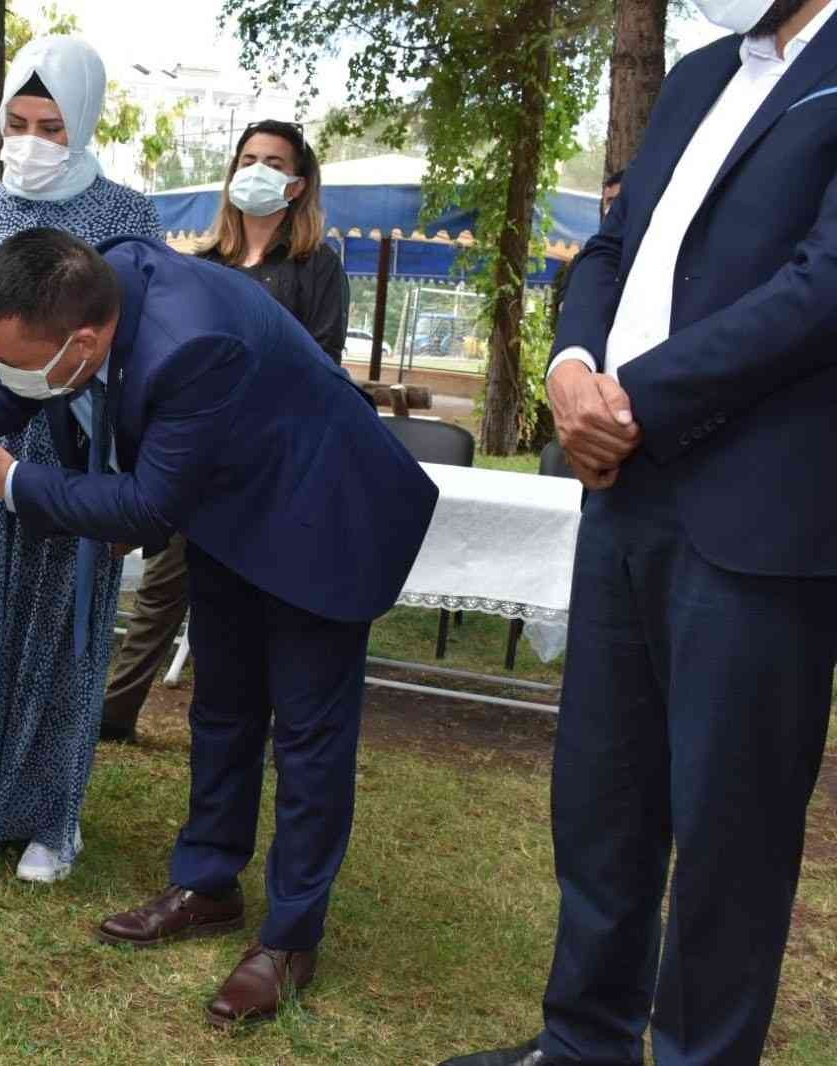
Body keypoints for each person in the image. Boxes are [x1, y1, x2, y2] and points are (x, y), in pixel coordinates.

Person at [0, 227, 436, 1028]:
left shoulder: (189, 347)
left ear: (81, 341)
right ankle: (208, 883)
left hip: (325, 517)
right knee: (223, 710)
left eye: (16, 355)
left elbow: (147, 505)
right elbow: (17, 389)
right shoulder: (89, 283)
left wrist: (7, 479)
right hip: (233, 510)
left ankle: (290, 938)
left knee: (307, 738)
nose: (3, 369)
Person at [444, 2, 837, 1065]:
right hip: (623, 489)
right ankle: (584, 1042)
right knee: (602, 801)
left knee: (730, 831)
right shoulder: (702, 71)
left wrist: (638, 398)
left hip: (760, 510)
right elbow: (610, 241)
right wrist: (570, 369)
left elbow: (824, 286)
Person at [0, 35, 163, 885]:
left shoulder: (128, 215)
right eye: (17, 122)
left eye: (51, 124)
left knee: (59, 631)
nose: (30, 140)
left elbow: (134, 356)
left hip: (71, 448)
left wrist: (123, 468)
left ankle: (51, 818)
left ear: (83, 122)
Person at [100, 119, 349, 743]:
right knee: (164, 589)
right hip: (195, 459)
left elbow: (320, 363)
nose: (256, 170)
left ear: (295, 185)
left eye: (272, 161)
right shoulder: (203, 263)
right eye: (247, 158)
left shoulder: (316, 267)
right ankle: (117, 711)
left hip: (272, 469)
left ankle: (267, 726)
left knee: (265, 604)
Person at [549, 168, 623, 331]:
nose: (613, 208)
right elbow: (564, 309)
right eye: (609, 201)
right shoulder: (583, 260)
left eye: (618, 201)